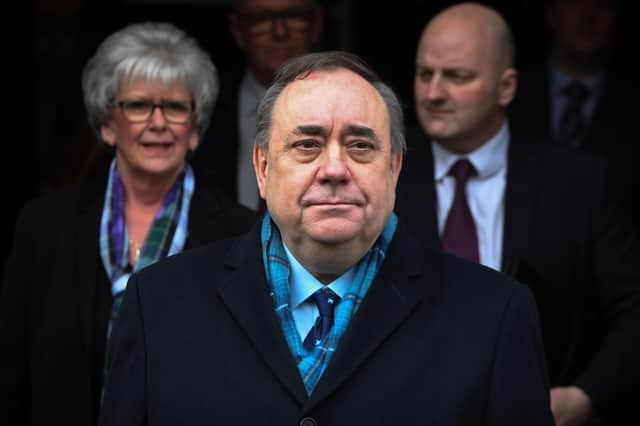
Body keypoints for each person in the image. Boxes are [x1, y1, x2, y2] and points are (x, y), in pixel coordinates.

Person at [98, 51, 553, 426]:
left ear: (394, 167)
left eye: (360, 146)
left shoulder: (495, 316)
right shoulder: (158, 305)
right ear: (261, 168)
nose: (334, 169)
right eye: (307, 145)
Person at [395, 3, 640, 426]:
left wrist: (586, 395)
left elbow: (633, 307)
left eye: (457, 76)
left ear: (506, 87)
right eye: (423, 74)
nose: (432, 93)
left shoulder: (575, 184)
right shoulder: (381, 174)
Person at [0, 21, 256, 425]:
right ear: (107, 123)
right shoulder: (46, 227)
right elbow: (12, 368)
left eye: (175, 107)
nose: (158, 123)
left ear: (194, 129)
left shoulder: (242, 232)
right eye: (138, 106)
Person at [509, 0, 638, 225]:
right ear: (552, 13)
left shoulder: (631, 102)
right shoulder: (508, 93)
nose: (589, 15)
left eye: (603, 5)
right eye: (575, 3)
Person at [191, 0, 323, 211]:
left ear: (316, 24)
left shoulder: (351, 108)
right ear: (238, 30)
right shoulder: (202, 109)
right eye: (262, 19)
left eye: (293, 16)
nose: (280, 32)